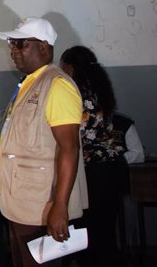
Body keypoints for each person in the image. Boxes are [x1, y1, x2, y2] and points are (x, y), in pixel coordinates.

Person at [0, 17, 87, 267]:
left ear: (44, 47)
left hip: (41, 205)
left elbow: (69, 148)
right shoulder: (29, 84)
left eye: (20, 44)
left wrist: (60, 206)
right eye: (12, 44)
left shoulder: (58, 86)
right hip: (19, 202)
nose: (13, 51)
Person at [60, 45, 127, 267]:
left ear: (70, 68)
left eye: (63, 68)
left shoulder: (79, 95)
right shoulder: (100, 91)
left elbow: (73, 137)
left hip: (93, 174)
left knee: (89, 236)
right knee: (104, 234)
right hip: (111, 168)